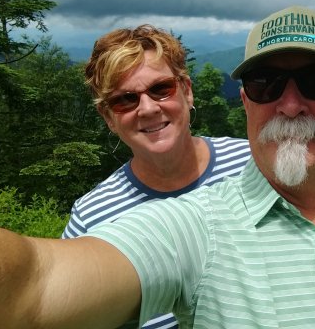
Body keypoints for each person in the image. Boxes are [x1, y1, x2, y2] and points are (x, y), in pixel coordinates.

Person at [0, 6, 315, 328]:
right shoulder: (192, 224)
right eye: (268, 84)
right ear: (247, 101)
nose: (291, 105)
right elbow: (37, 285)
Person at [64, 24, 252, 329]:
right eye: (125, 100)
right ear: (108, 118)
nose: (148, 108)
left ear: (187, 91)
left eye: (161, 89)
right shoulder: (91, 218)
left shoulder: (252, 164)